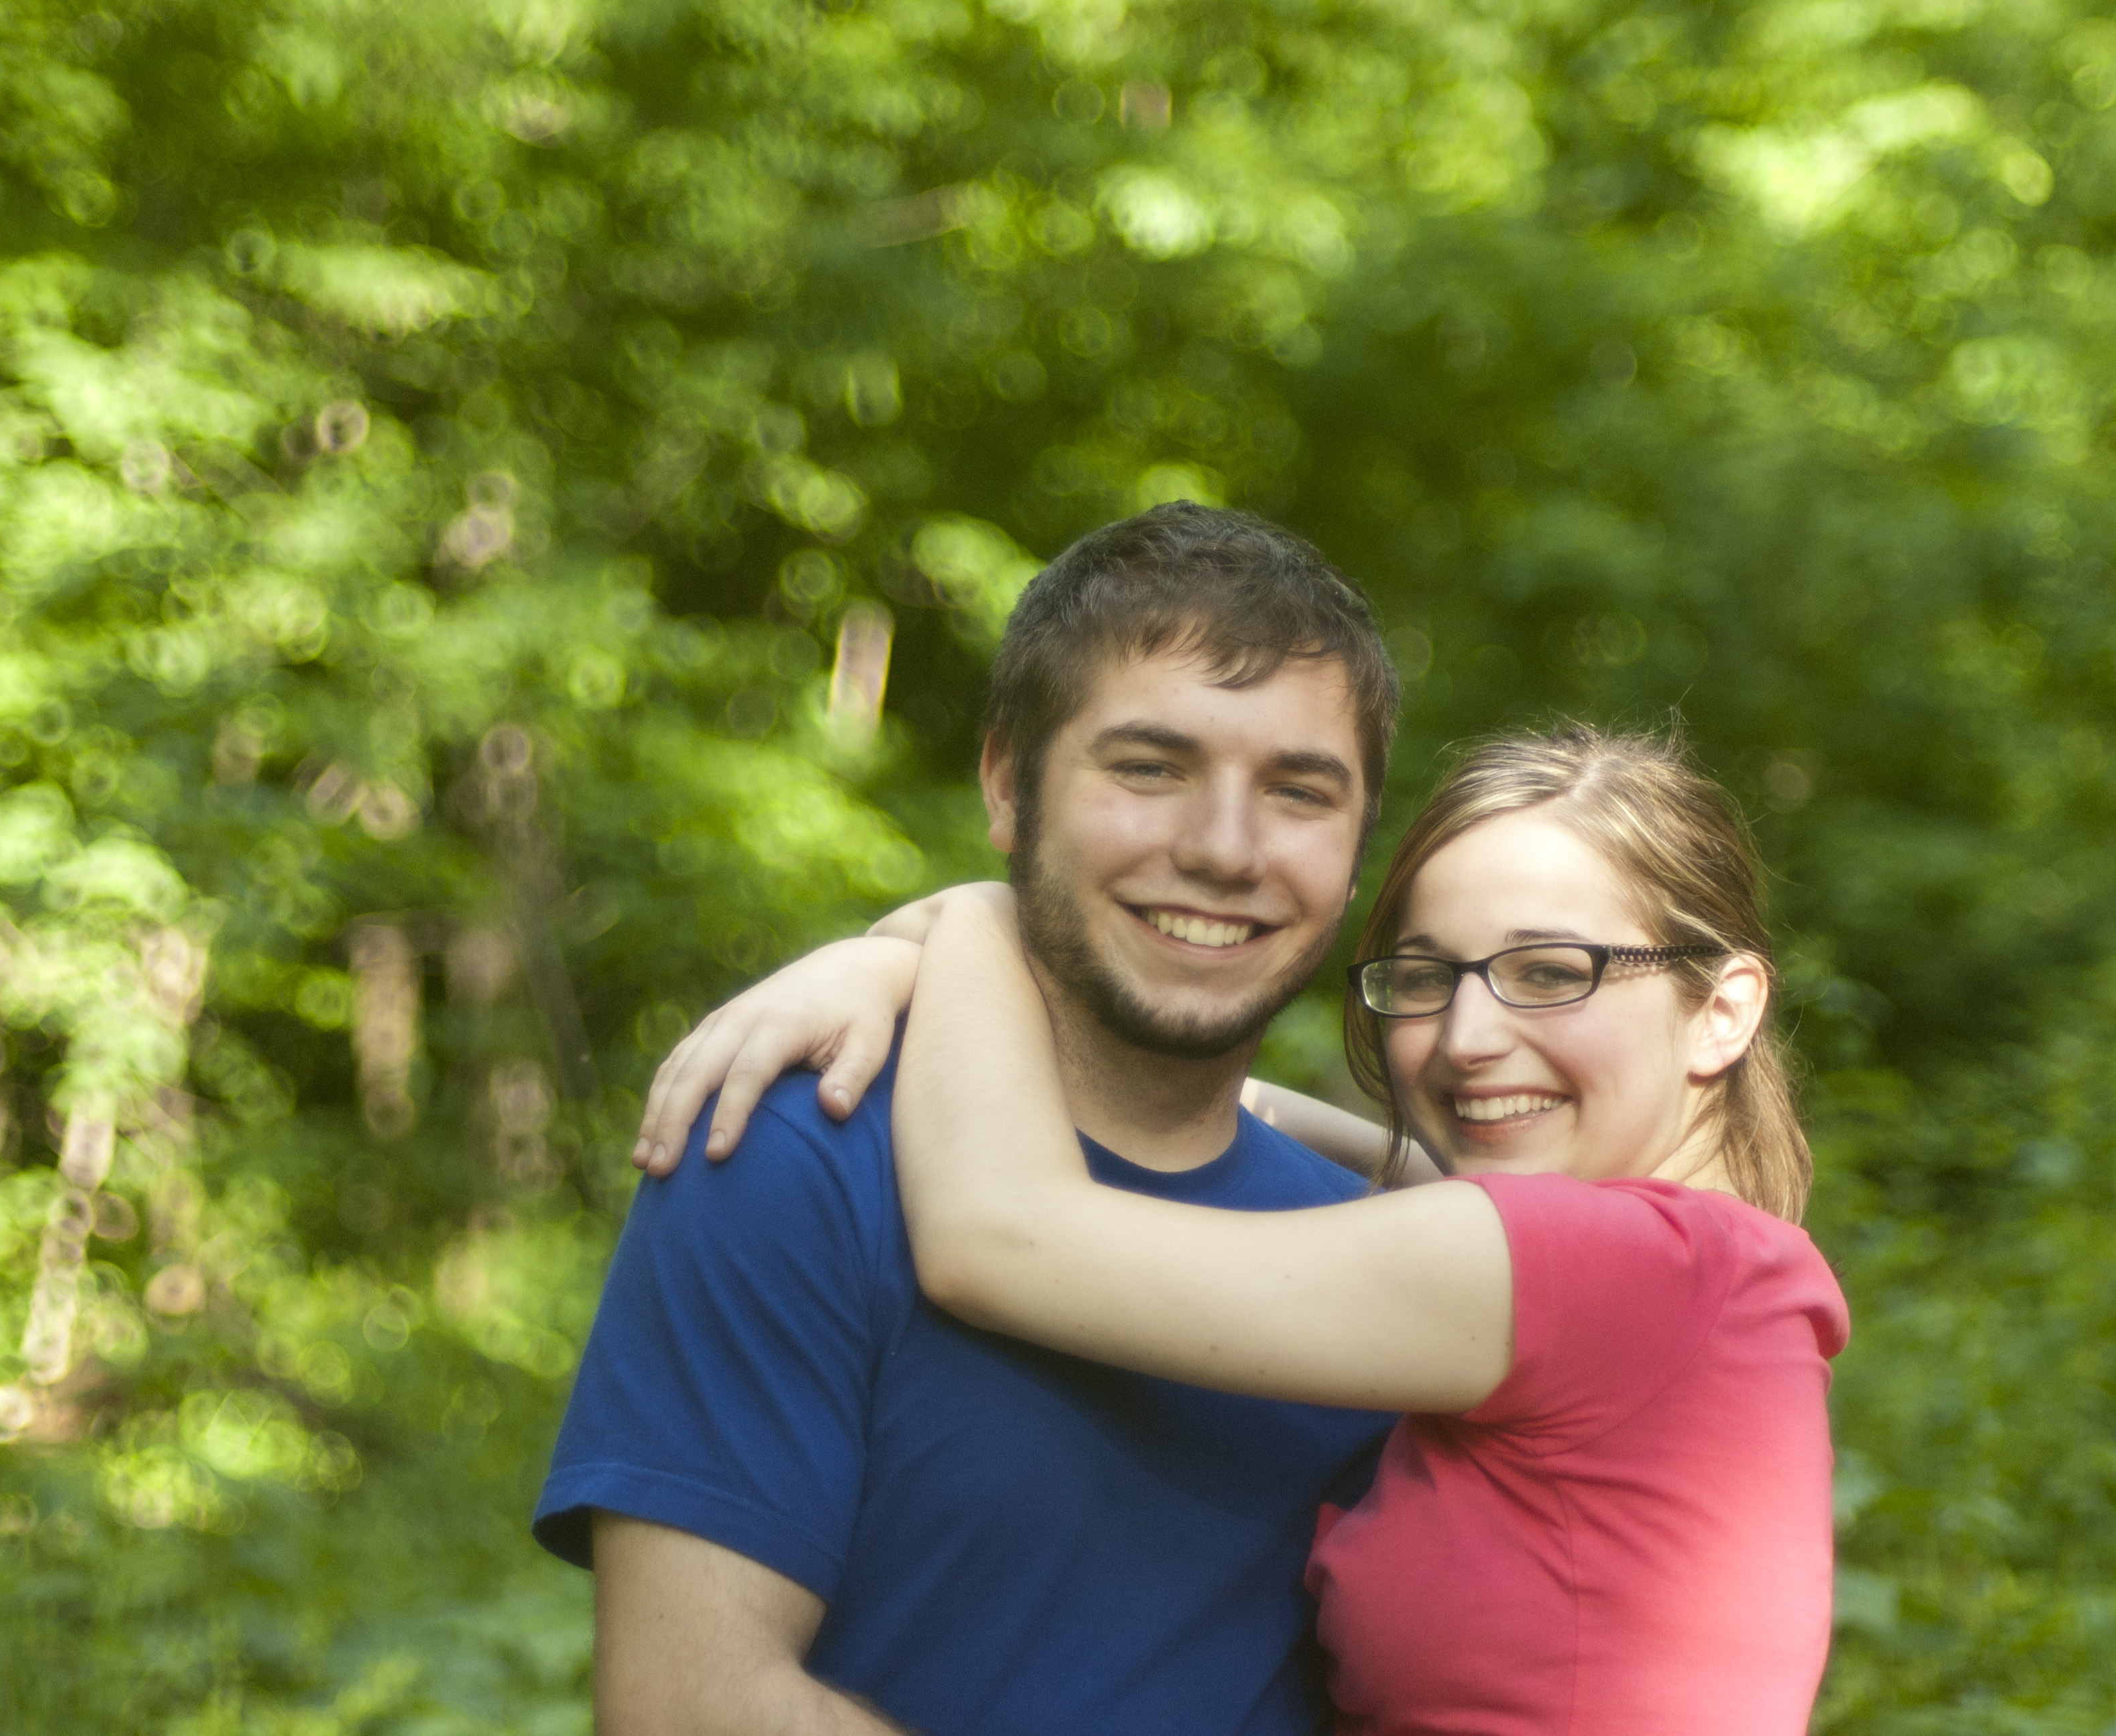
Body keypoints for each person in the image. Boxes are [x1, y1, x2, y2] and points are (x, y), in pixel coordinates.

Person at [657, 726, 1850, 1733]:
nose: (1465, 1039)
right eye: (1424, 978)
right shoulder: (1707, 1279)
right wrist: (905, 985)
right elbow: (1295, 1134)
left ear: (1721, 1011)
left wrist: (978, 921)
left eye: (1549, 973)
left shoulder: (1617, 1269)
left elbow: (997, 1238)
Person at [535, 502, 1424, 1735]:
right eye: (1149, 767)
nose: (1226, 849)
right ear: (1008, 785)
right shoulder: (793, 1151)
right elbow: (691, 1708)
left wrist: (942, 930)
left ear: (1358, 845)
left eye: (1299, 791)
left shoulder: (1397, 1262)